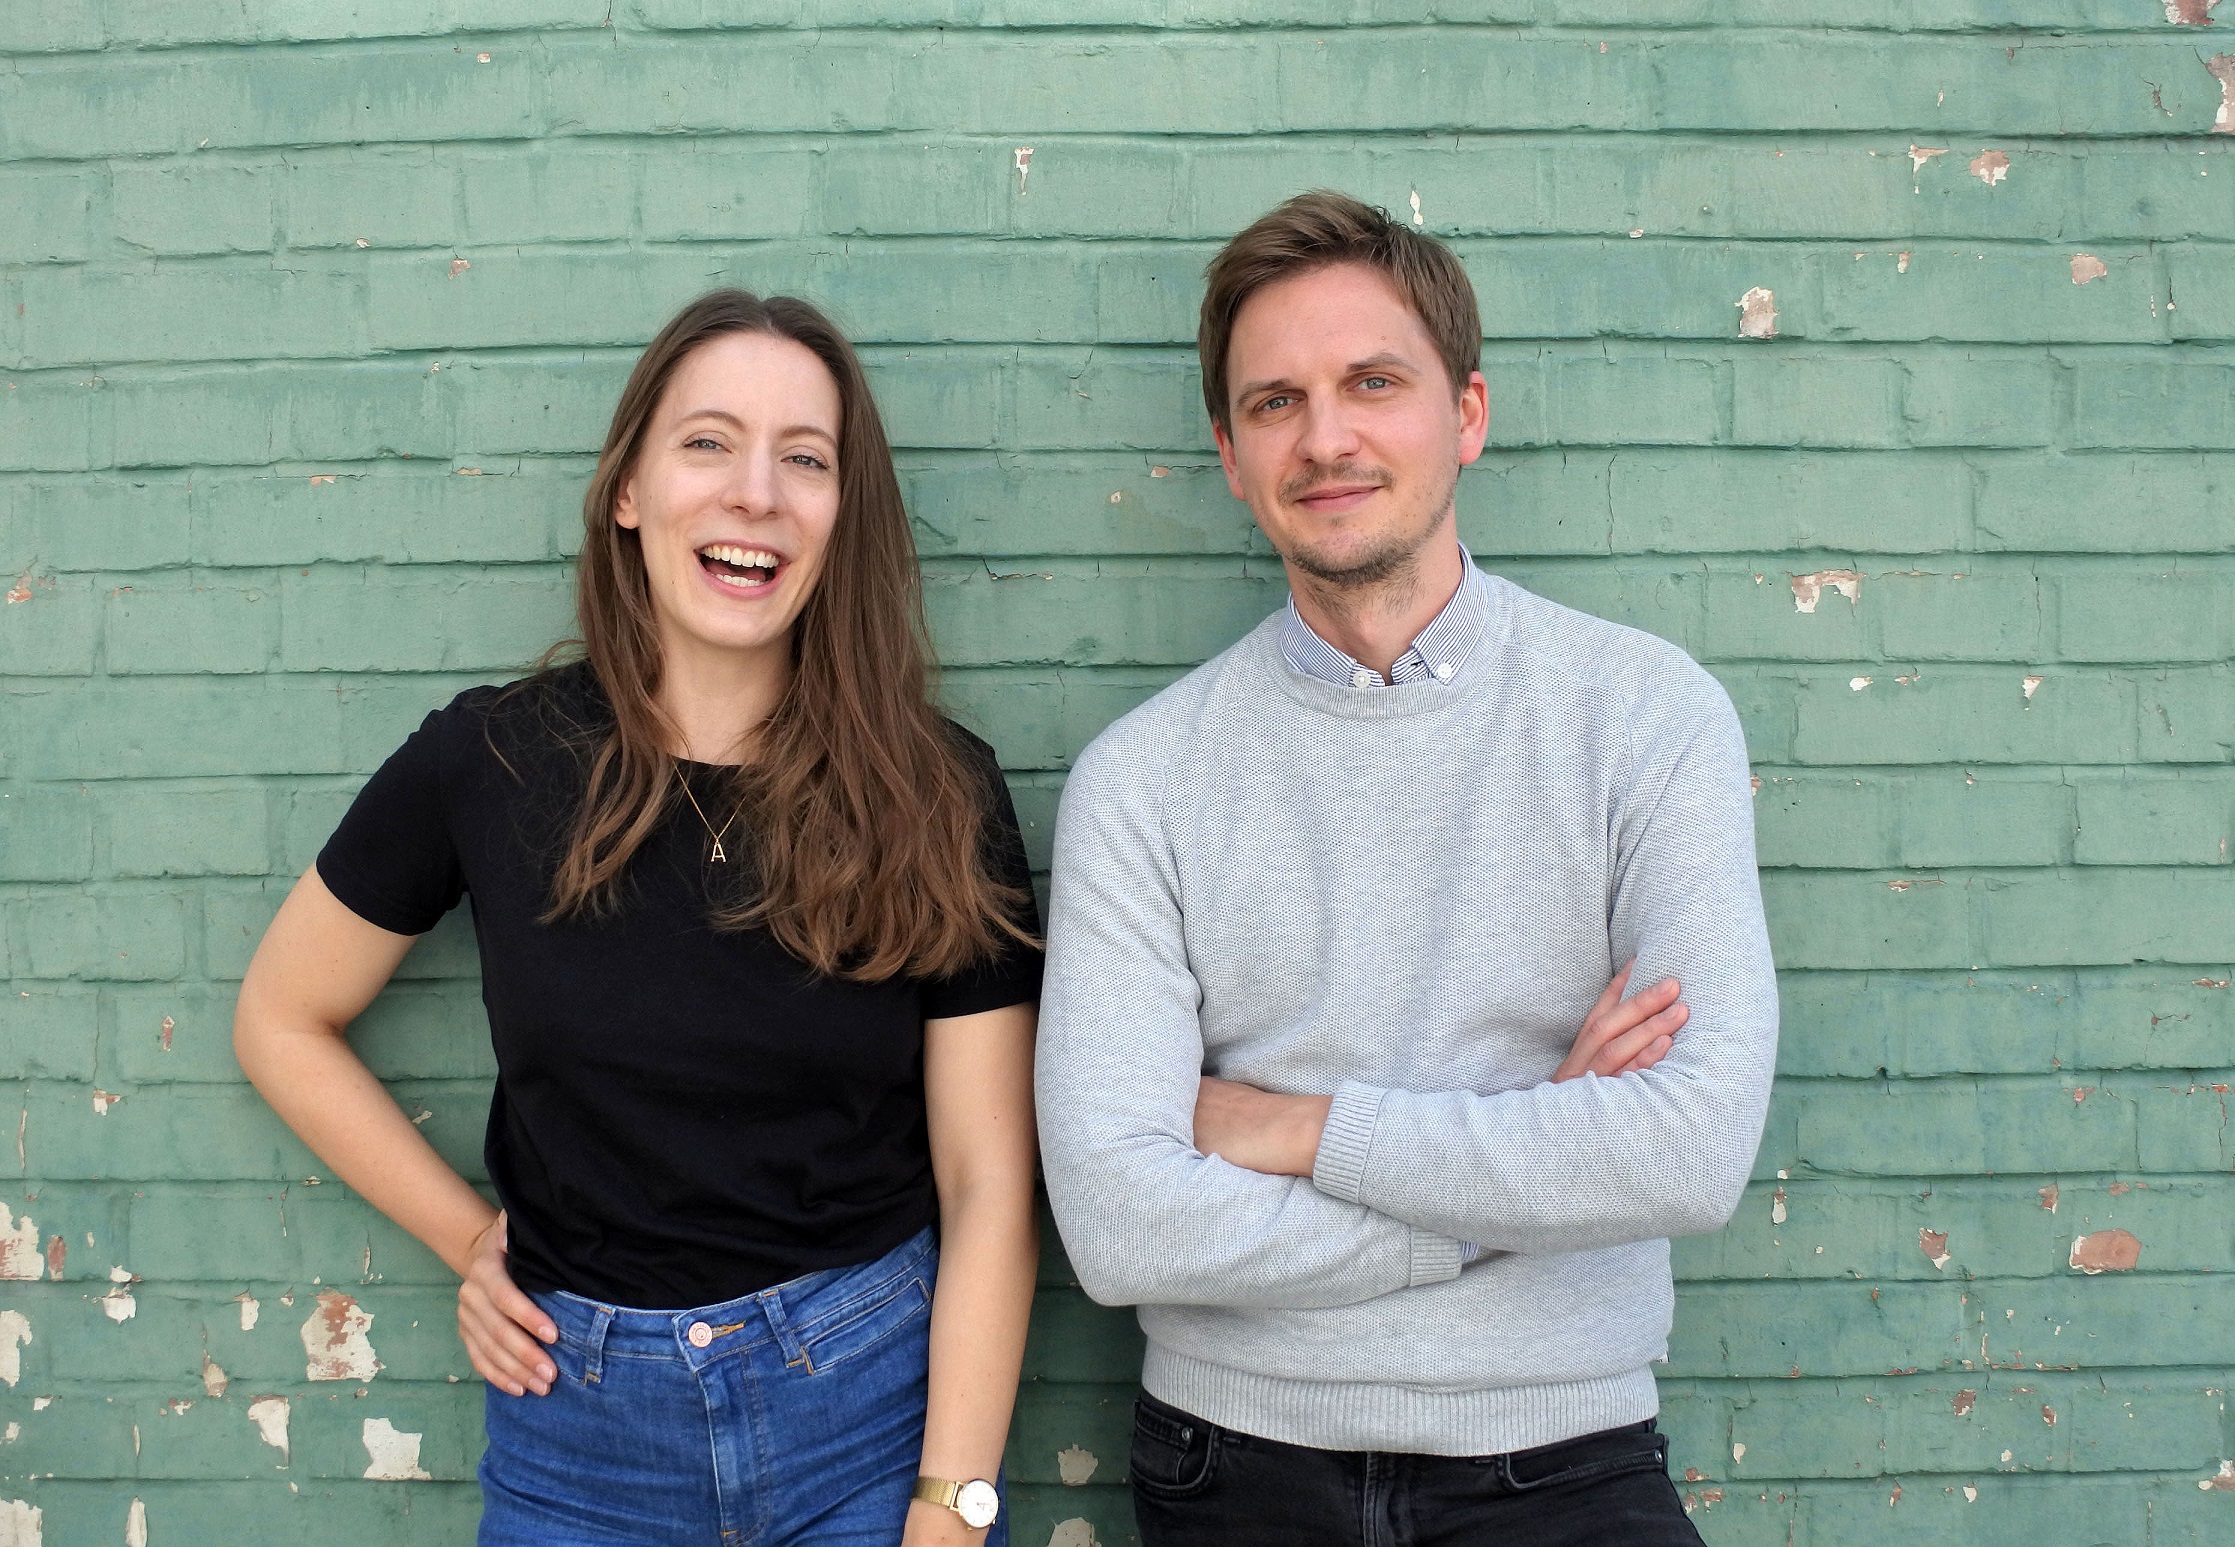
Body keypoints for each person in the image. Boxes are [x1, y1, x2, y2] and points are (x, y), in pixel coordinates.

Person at [234, 290, 1040, 1547]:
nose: (756, 493)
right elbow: (282, 1017)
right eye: (708, 442)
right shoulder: (490, 761)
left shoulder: (938, 790)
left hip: (867, 1431)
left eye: (805, 459)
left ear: (844, 514)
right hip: (576, 1441)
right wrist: (472, 1238)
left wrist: (951, 1507)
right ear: (627, 490)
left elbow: (990, 1182)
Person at [1035, 192, 1778, 1546]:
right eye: (1274, 402)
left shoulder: (1643, 715)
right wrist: (1512, 1185)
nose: (1325, 437)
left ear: (1466, 413)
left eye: (1372, 382)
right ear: (1229, 454)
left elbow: (1686, 1148)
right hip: (1234, 1465)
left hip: (1562, 1459)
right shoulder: (1141, 779)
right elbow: (1120, 1223)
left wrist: (1294, 1128)